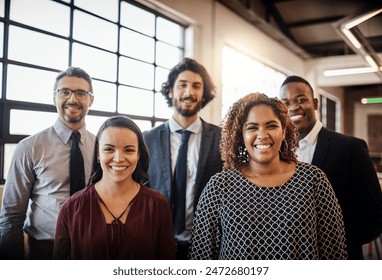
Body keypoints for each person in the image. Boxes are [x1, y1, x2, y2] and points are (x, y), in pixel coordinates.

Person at [189, 92, 347, 260]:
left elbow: (334, 252)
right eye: (252, 127)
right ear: (240, 136)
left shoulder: (313, 179)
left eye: (271, 126)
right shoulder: (219, 186)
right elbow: (201, 255)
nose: (262, 135)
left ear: (284, 130)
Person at [279, 75, 382, 259]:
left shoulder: (350, 148)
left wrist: (334, 244)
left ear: (315, 103)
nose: (293, 107)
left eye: (301, 99)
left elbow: (374, 216)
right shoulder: (278, 153)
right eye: (285, 102)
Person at [0, 66, 95, 259]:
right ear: (54, 98)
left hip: (92, 247)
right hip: (44, 250)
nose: (73, 99)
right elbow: (12, 215)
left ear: (90, 99)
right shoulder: (29, 147)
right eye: (65, 92)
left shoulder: (102, 145)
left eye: (81, 93)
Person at [53, 115, 175, 259]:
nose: (118, 158)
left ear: (138, 155)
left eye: (129, 150)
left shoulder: (158, 205)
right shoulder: (71, 208)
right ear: (98, 153)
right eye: (109, 149)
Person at [143, 57, 222, 259]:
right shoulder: (147, 139)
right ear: (170, 91)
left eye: (197, 86)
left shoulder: (221, 138)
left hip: (207, 245)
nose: (189, 92)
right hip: (157, 243)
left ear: (203, 93)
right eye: (182, 85)